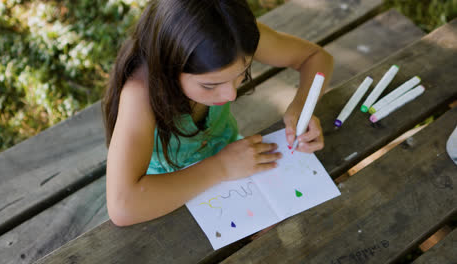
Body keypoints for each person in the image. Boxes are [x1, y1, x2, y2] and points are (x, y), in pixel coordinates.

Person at [101, 0, 333, 234]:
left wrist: (302, 106)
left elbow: (315, 57)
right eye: (210, 85)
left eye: (241, 75)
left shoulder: (233, 41)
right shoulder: (140, 94)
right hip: (164, 190)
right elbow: (123, 207)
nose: (231, 94)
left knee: (299, 221)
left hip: (234, 157)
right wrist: (221, 167)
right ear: (168, 67)